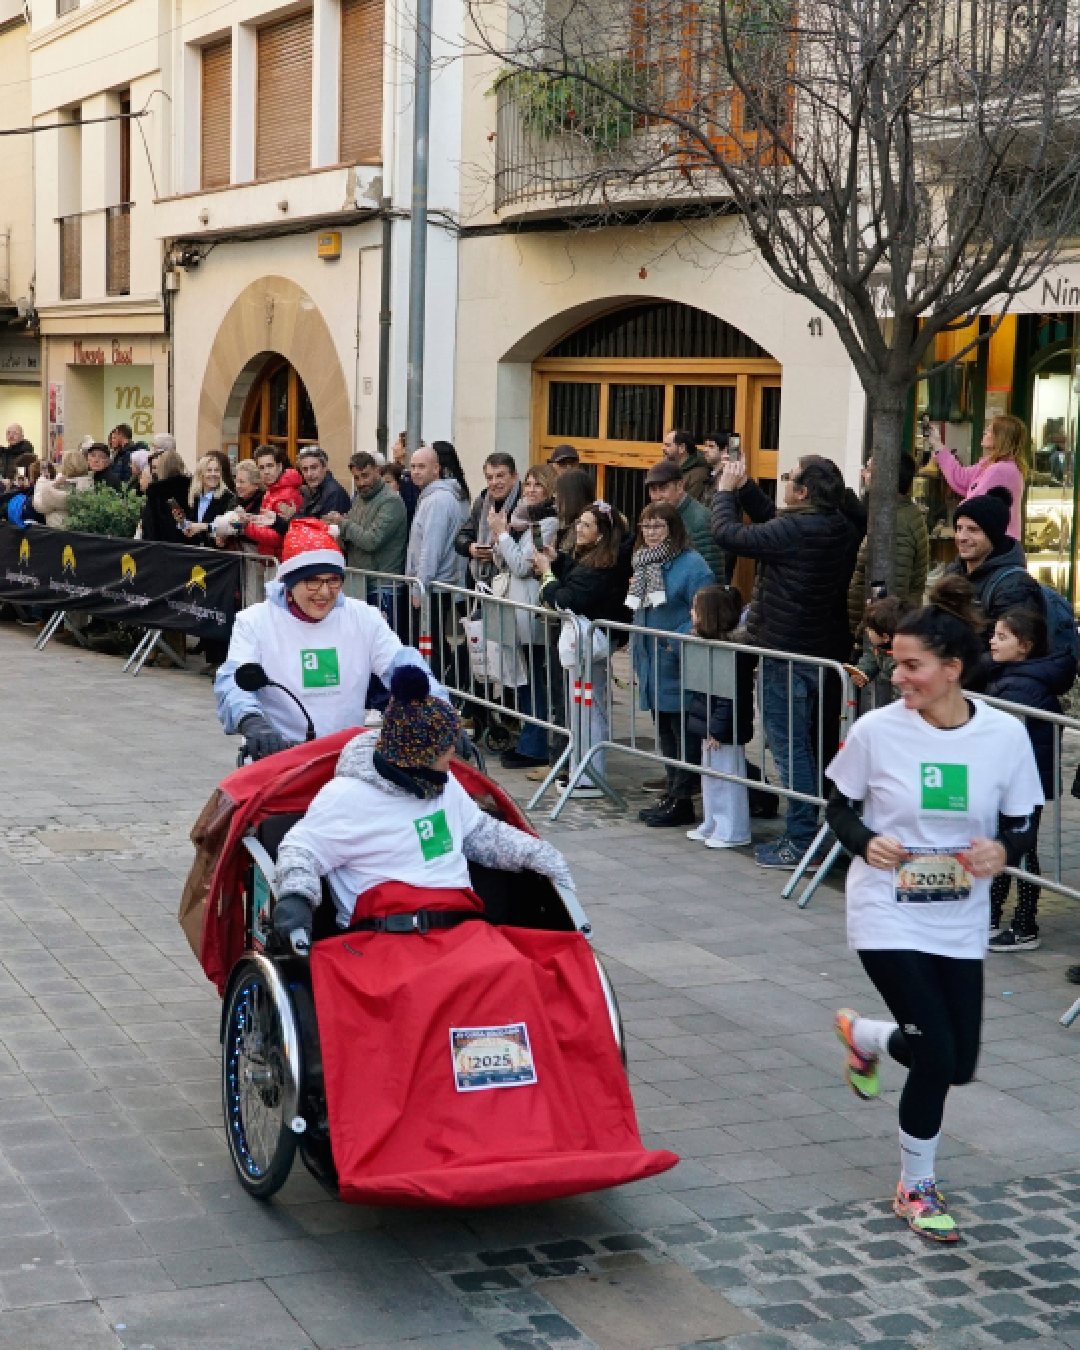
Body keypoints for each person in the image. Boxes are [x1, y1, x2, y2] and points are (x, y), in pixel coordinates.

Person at [828, 576, 1042, 1243]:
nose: (897, 676)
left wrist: (1002, 850)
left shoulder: (1003, 736)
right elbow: (838, 807)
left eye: (911, 665)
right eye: (894, 662)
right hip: (885, 911)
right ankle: (915, 1187)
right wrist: (867, 842)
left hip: (959, 915)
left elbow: (1023, 821)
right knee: (937, 1054)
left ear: (952, 669)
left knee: (958, 1060)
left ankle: (866, 1037)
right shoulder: (876, 731)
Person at [271, 663, 573, 954]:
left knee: (531, 971)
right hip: (385, 938)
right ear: (416, 757)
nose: (452, 756)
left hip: (461, 928)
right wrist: (296, 896)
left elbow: (481, 834)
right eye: (444, 751)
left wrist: (540, 854)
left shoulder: (445, 783)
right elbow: (302, 851)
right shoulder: (346, 796)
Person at [713, 452, 860, 868]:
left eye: (789, 478)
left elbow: (727, 534)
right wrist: (746, 488)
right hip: (820, 653)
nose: (784, 484)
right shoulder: (838, 525)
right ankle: (819, 830)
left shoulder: (795, 530)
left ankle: (800, 838)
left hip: (785, 655)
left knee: (790, 750)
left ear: (803, 492)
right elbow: (773, 524)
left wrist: (725, 492)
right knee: (811, 747)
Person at [215, 518, 441, 757]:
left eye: (333, 580)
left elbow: (404, 667)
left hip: (345, 758)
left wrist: (437, 712)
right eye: (312, 581)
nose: (324, 592)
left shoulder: (364, 617)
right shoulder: (254, 621)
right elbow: (234, 681)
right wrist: (252, 721)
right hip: (279, 756)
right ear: (289, 582)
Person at [985, 607, 1073, 953]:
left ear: (1024, 646)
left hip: (1021, 781)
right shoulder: (1010, 675)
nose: (992, 641)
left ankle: (1023, 924)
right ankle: (993, 915)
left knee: (1019, 847)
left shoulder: (1021, 685)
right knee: (1011, 844)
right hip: (1018, 779)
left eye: (1001, 636)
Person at [629, 503, 714, 827]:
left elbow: (704, 612)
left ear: (673, 529)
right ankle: (673, 790)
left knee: (683, 733)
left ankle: (683, 797)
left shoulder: (693, 565)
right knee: (664, 730)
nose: (651, 533)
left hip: (677, 660)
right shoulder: (644, 562)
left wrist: (673, 641)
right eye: (646, 526)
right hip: (651, 660)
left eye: (658, 527)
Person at [537, 501, 626, 797]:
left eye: (586, 525)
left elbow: (567, 599)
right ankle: (582, 770)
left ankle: (589, 776)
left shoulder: (602, 566)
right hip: (590, 643)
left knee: (589, 710)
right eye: (579, 523)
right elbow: (576, 576)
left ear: (601, 534)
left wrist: (547, 574)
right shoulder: (593, 558)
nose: (579, 529)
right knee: (583, 708)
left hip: (591, 644)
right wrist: (559, 560)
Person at [489, 464, 561, 769]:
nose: (531, 490)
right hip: (513, 604)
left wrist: (503, 535)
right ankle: (528, 738)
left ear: (549, 489)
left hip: (531, 607)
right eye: (528, 484)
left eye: (538, 485)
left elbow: (522, 566)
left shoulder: (548, 522)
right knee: (521, 676)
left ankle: (535, 744)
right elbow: (503, 561)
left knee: (533, 679)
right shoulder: (519, 517)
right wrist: (499, 540)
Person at [685, 584, 755, 849]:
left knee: (727, 777)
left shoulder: (731, 651)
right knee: (711, 776)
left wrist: (717, 728)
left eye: (696, 609)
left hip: (724, 725)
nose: (691, 613)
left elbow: (729, 696)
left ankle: (732, 828)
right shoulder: (707, 644)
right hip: (711, 720)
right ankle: (713, 821)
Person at [846, 452, 929, 636]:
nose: (863, 474)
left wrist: (865, 632)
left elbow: (889, 590)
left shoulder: (896, 523)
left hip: (882, 633)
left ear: (886, 477)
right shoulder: (894, 514)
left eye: (869, 470)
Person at [945, 487, 1042, 633]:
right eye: (959, 528)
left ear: (993, 535)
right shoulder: (953, 573)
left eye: (973, 529)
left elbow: (1010, 642)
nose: (961, 537)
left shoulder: (1014, 586)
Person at [931, 415, 1028, 540]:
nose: (984, 432)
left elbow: (974, 505)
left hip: (995, 543)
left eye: (989, 430)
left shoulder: (1000, 469)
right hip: (996, 540)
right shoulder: (992, 465)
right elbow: (961, 478)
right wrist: (937, 444)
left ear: (1001, 438)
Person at [328, 450, 408, 579]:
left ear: (377, 471)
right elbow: (353, 535)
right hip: (360, 579)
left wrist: (343, 523)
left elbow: (372, 540)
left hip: (382, 582)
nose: (361, 483)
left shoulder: (391, 501)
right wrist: (336, 527)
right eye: (356, 478)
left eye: (365, 476)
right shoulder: (360, 498)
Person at [644, 459, 724, 581]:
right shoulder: (660, 516)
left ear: (680, 486)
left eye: (663, 488)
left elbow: (711, 574)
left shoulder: (699, 521)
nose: (658, 496)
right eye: (653, 490)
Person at [455, 452, 521, 586]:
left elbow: (526, 554)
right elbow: (461, 536)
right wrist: (471, 547)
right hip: (479, 584)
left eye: (500, 476)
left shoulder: (524, 505)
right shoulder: (482, 502)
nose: (494, 482)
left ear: (514, 477)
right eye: (489, 478)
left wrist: (497, 554)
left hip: (511, 585)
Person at [242, 445, 304, 558]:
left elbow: (279, 537)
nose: (266, 472)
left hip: (281, 559)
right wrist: (251, 518)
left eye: (270, 466)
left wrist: (246, 527)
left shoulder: (287, 493)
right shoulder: (272, 489)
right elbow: (267, 524)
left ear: (279, 466)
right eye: (261, 468)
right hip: (270, 557)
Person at [845, 596, 910, 692]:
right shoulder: (881, 648)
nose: (866, 630)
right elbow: (872, 657)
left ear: (885, 637)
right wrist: (863, 671)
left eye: (870, 629)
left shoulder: (906, 658)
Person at [180, 455, 237, 543]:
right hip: (194, 548)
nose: (213, 474)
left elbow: (229, 527)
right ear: (200, 474)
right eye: (209, 470)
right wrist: (182, 524)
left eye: (216, 470)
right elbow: (189, 524)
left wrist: (202, 526)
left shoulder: (228, 498)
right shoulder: (194, 496)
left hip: (215, 550)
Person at [140, 449, 193, 544]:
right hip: (187, 546)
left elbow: (150, 526)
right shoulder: (191, 488)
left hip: (162, 547)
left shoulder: (156, 492)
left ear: (162, 468)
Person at [211, 459, 264, 550]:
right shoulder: (234, 501)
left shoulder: (263, 502)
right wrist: (220, 538)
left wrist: (235, 526)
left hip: (254, 554)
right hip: (233, 553)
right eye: (236, 481)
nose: (238, 486)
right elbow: (225, 524)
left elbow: (259, 534)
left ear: (256, 485)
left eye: (242, 482)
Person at [32, 449, 92, 527]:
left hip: (61, 528)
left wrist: (47, 483)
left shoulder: (62, 486)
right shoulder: (89, 482)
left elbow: (40, 505)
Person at [296, 446, 351, 519]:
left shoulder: (334, 493)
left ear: (325, 467)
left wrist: (291, 517)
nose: (309, 474)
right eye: (305, 469)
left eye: (314, 468)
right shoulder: (313, 489)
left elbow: (326, 525)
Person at [661, 429, 711, 503]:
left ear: (682, 448)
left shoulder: (699, 475)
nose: (662, 448)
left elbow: (689, 505)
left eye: (668, 445)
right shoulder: (668, 468)